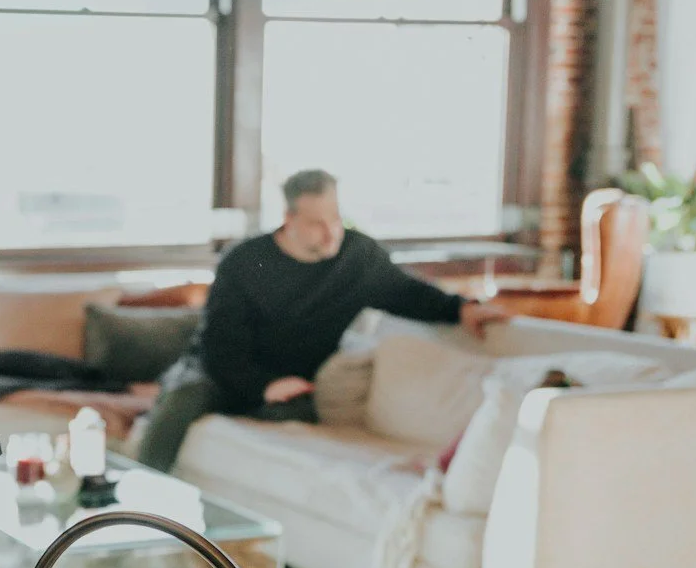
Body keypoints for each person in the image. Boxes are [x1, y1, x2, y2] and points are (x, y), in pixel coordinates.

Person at [134, 169, 506, 472]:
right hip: (219, 371)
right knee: (182, 398)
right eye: (316, 223)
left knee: (296, 413)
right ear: (288, 219)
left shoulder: (357, 257)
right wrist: (263, 386)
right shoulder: (245, 261)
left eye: (335, 218)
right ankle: (139, 511)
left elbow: (407, 292)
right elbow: (219, 346)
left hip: (292, 386)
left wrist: (462, 308)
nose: (331, 233)